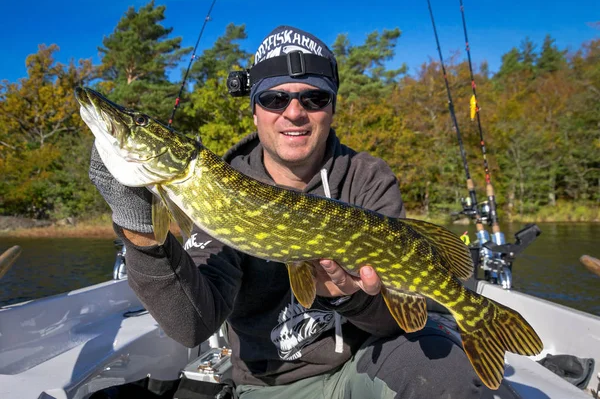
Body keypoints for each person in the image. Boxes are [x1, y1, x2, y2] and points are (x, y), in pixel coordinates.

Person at [90, 25, 486, 398]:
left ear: (331, 107)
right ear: (254, 109)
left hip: (367, 365)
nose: (294, 112)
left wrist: (350, 300)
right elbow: (192, 325)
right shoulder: (220, 189)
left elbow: (405, 320)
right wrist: (137, 224)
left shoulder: (367, 177)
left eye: (313, 98)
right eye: (274, 98)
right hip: (271, 386)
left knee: (445, 373)